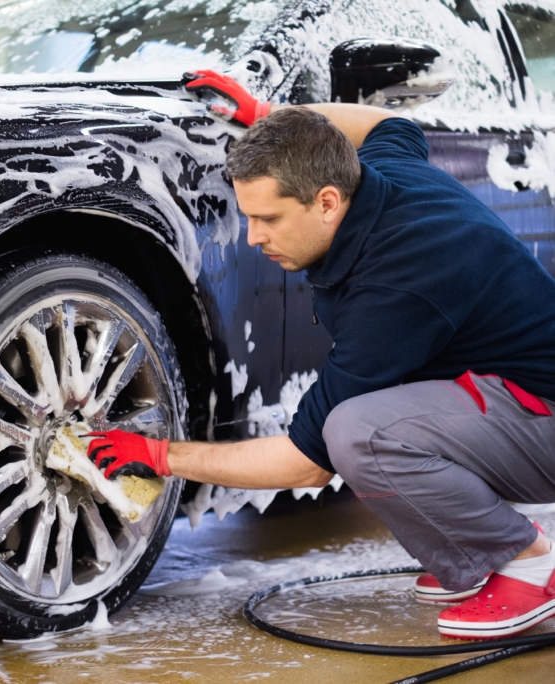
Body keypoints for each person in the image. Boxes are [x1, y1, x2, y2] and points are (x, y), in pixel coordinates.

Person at [86, 70, 555, 640]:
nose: (254, 238)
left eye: (269, 218)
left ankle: (530, 562)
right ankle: (471, 550)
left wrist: (160, 455)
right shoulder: (381, 172)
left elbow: (305, 460)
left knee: (358, 432)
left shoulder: (396, 289)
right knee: (365, 415)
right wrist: (266, 113)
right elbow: (390, 122)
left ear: (328, 201)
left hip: (543, 418)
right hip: (514, 394)